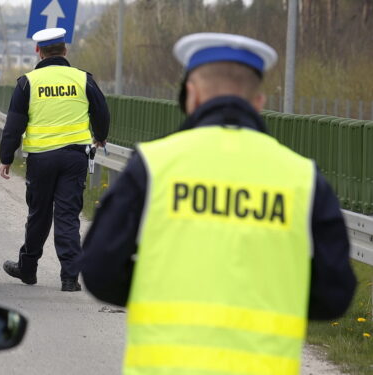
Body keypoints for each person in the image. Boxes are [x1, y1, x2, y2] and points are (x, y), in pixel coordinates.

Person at [80, 33, 356, 374]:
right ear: (257, 101)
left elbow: (97, 269)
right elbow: (336, 294)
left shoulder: (154, 167)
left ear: (192, 95)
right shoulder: (302, 178)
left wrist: (158, 289)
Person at [0, 28, 110, 292]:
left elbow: (14, 124)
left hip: (41, 158)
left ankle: (27, 270)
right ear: (65, 51)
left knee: (38, 214)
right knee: (68, 214)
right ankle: (70, 277)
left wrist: (6, 157)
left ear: (38, 51)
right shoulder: (83, 79)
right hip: (75, 158)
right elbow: (102, 112)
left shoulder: (28, 82)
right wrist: (101, 137)